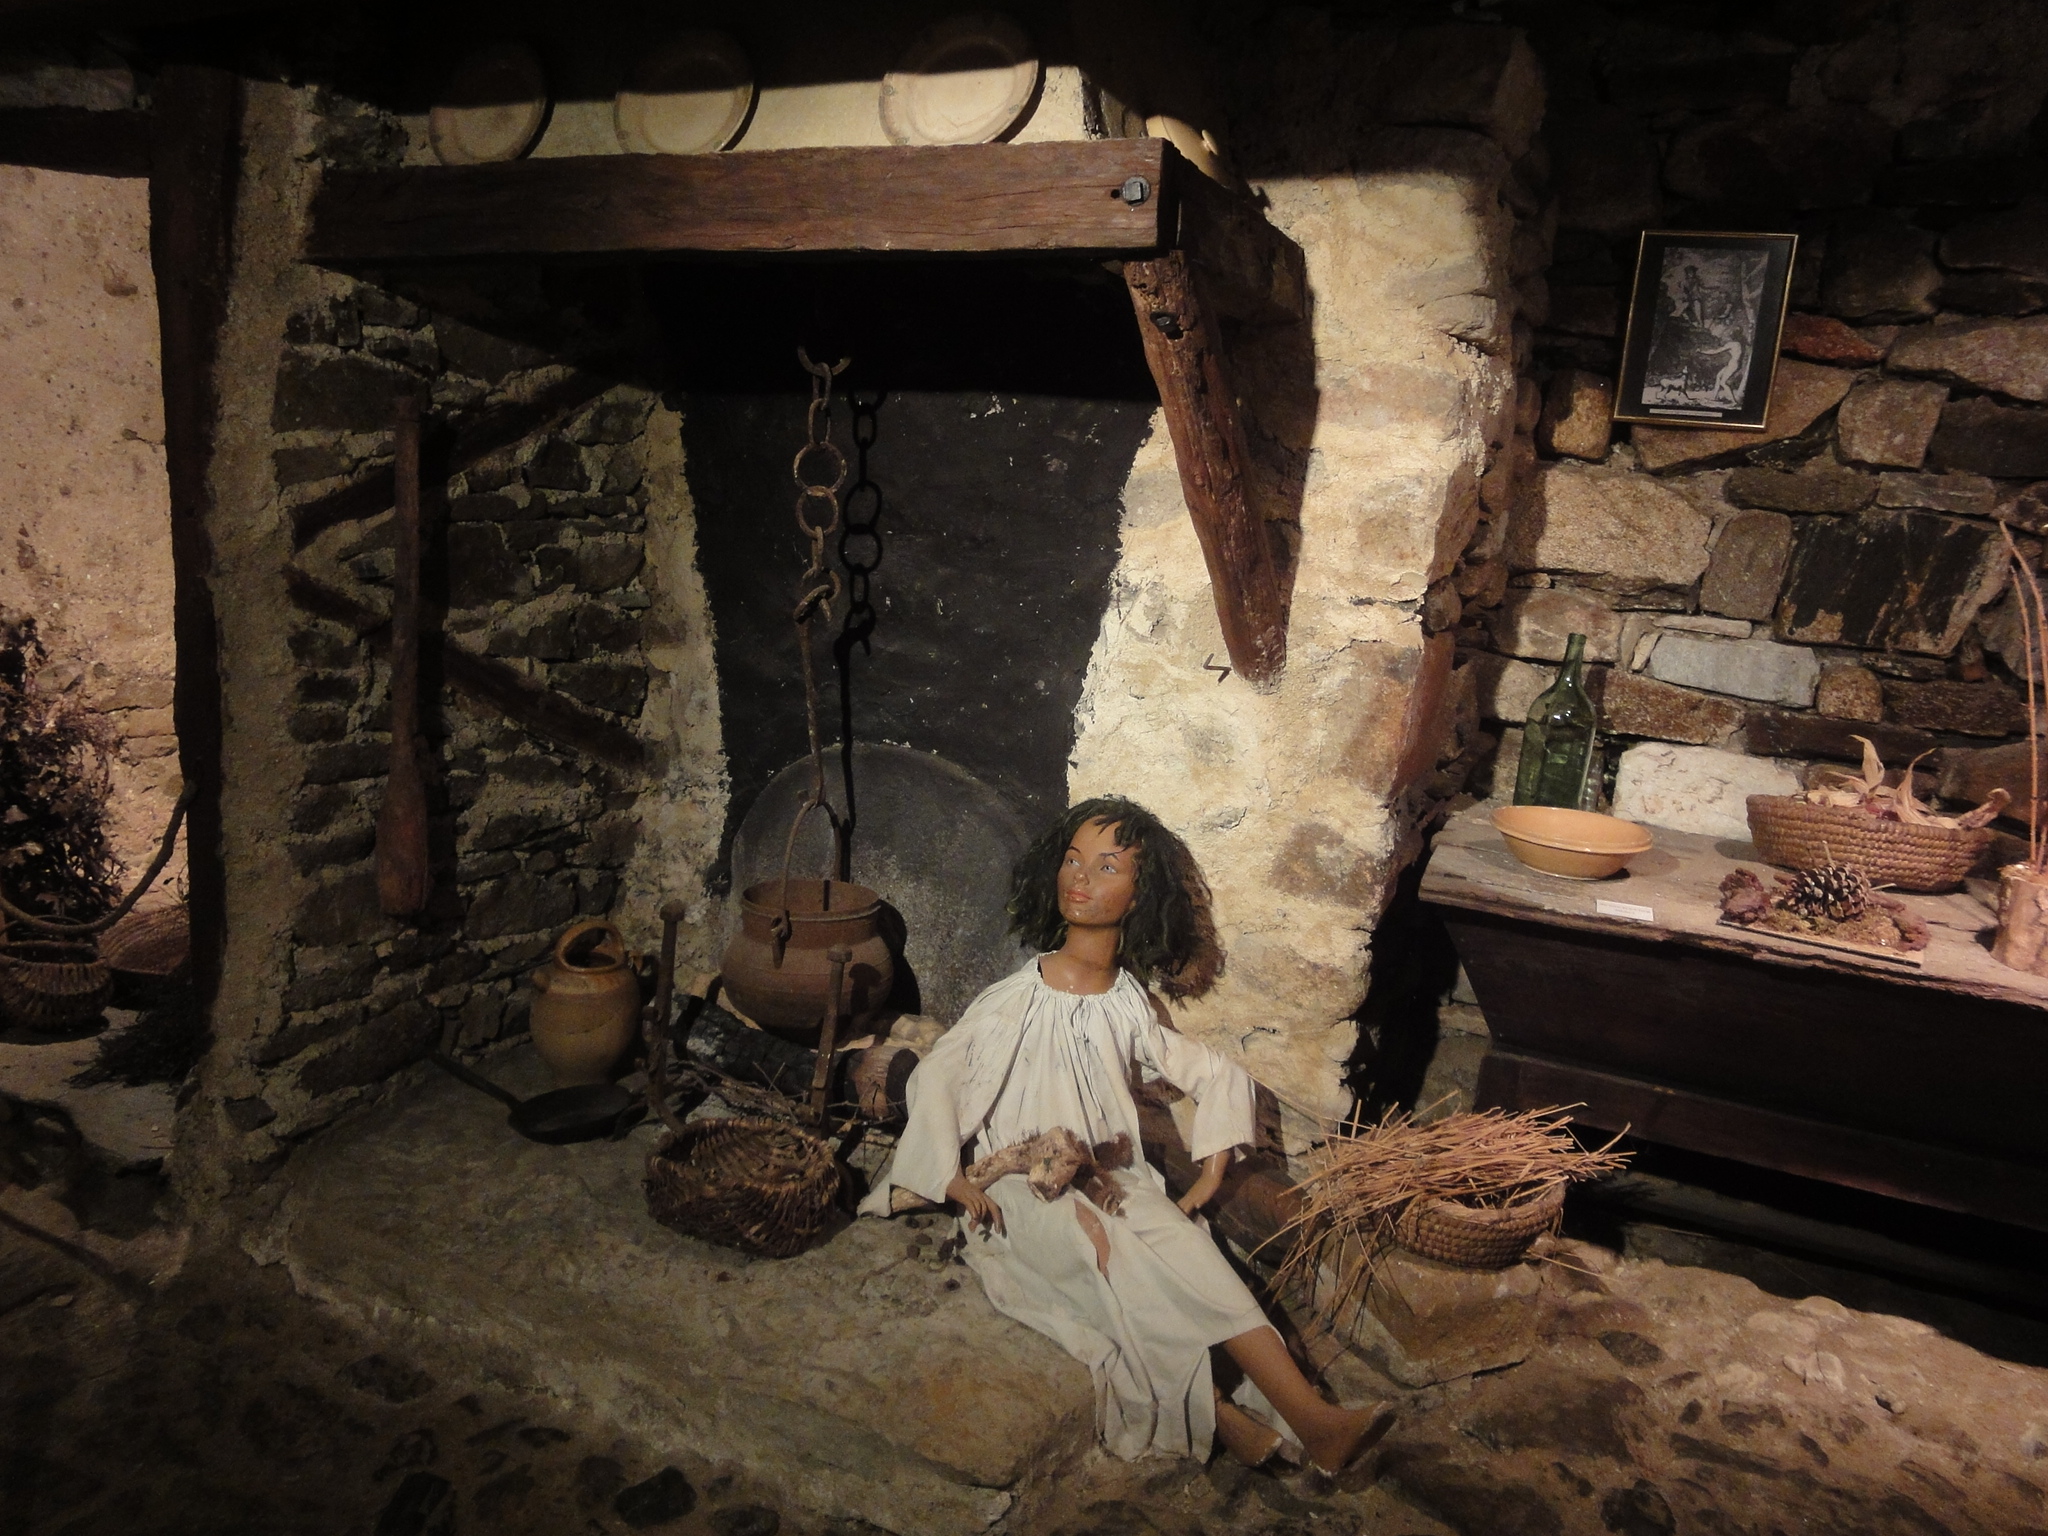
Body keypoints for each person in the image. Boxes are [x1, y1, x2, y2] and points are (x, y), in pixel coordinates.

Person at [859, 797, 1393, 1472]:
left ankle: (1314, 1419)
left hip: (1111, 1174)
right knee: (1110, 1253)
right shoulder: (1015, 998)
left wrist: (1210, 1174)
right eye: (1073, 860)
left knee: (1189, 1250)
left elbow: (1212, 1071)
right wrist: (951, 1177)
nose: (1080, 878)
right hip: (1023, 1186)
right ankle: (1222, 1416)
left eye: (1107, 867)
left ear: (1140, 896)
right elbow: (940, 1075)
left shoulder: (1128, 1004)